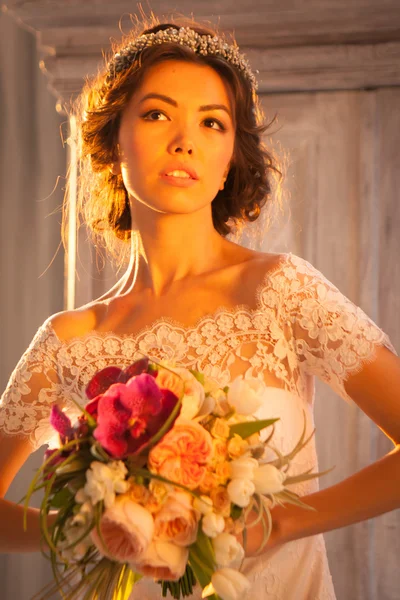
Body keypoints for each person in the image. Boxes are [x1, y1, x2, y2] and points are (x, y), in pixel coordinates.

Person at [1, 14, 400, 600]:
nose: (185, 138)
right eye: (158, 113)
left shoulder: (282, 291)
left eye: (212, 122)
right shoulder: (69, 340)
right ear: (114, 142)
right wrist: (87, 526)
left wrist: (289, 520)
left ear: (228, 163)